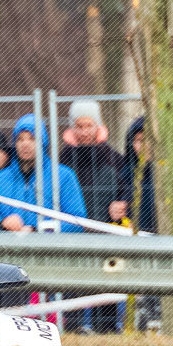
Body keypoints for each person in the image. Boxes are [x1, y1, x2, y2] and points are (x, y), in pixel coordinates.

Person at [60, 100, 125, 330]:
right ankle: (72, 331)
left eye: (89, 125)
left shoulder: (115, 160)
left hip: (105, 238)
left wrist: (123, 205)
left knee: (105, 294)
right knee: (72, 294)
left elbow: (128, 190)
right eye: (79, 126)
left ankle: (106, 331)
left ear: (98, 126)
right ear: (72, 128)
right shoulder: (63, 160)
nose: (84, 131)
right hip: (72, 239)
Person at [0, 114, 87, 232]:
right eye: (20, 139)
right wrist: (2, 223)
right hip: (9, 243)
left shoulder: (63, 176)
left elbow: (77, 221)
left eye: (32, 138)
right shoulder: (0, 179)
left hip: (49, 243)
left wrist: (38, 229)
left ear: (42, 142)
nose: (25, 144)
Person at [110, 116, 157, 231]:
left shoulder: (170, 174)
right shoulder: (124, 175)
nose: (145, 146)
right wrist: (115, 212)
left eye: (148, 140)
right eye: (139, 140)